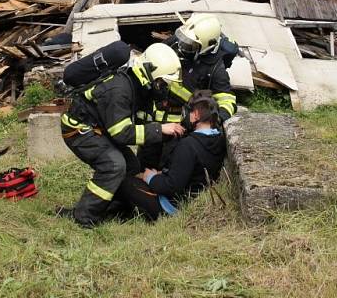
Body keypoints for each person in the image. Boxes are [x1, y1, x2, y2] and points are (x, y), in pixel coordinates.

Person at [57, 43, 186, 228]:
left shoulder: (140, 88)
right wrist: (160, 129)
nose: (162, 87)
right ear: (149, 73)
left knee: (131, 166)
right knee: (114, 165)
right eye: (161, 82)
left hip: (100, 128)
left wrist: (165, 131)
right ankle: (84, 216)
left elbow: (141, 122)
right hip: (79, 130)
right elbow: (121, 133)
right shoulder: (119, 90)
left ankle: (115, 208)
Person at [139, 13, 237, 169]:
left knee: (168, 164)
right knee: (144, 161)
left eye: (190, 44)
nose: (182, 46)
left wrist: (214, 120)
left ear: (206, 45)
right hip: (154, 117)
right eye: (184, 40)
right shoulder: (176, 44)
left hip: (181, 126)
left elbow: (227, 100)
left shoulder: (216, 69)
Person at [117, 90, 227, 220]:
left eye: (189, 112)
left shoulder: (188, 145)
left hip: (170, 208)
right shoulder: (219, 139)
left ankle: (119, 215)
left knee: (124, 182)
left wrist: (150, 177)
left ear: (196, 114)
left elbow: (171, 187)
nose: (185, 116)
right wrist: (160, 174)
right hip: (192, 202)